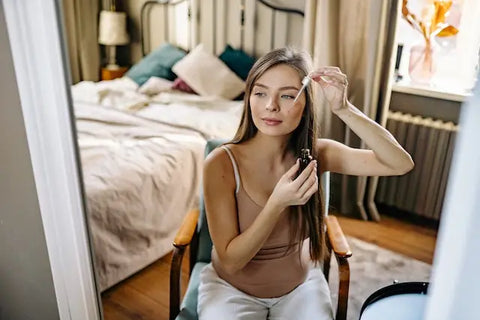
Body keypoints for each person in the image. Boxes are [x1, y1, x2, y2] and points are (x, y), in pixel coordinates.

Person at [198, 47, 414, 319]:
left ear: (306, 104)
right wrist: (277, 204)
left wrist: (344, 109)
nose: (271, 106)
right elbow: (231, 262)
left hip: (300, 289)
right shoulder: (221, 164)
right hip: (231, 290)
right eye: (260, 92)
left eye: (287, 95)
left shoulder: (318, 153)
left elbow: (400, 163)